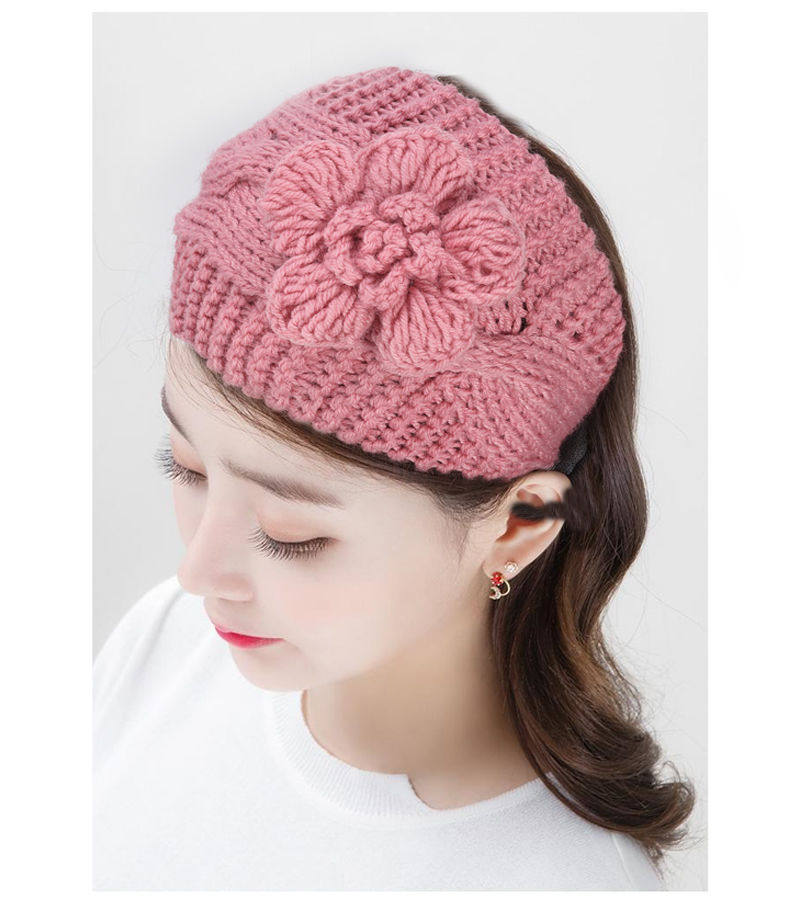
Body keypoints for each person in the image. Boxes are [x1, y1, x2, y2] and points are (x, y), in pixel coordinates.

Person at [93, 65, 694, 891]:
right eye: (186, 467)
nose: (196, 573)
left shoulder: (567, 887)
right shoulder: (167, 645)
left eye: (291, 535)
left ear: (517, 527)